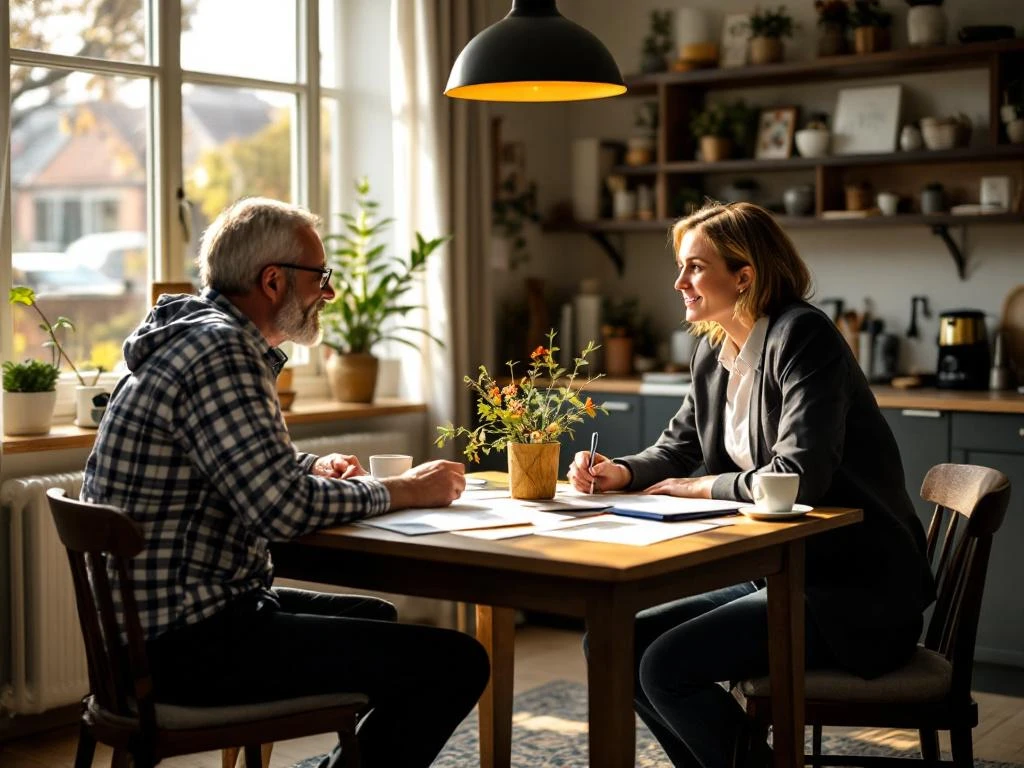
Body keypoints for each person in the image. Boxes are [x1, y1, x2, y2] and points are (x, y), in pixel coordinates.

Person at [82, 197, 489, 768]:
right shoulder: (223, 352)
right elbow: (281, 513)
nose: (329, 292)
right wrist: (407, 489)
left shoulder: (189, 336)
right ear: (273, 281)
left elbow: (234, 467)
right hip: (185, 646)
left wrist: (310, 466)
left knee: (376, 619)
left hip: (145, 635)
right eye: (320, 276)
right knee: (457, 661)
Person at [567, 202, 935, 768]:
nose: (679, 282)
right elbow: (678, 446)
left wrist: (699, 488)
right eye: (681, 267)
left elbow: (797, 477)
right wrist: (622, 470)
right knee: (611, 643)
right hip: (780, 573)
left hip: (852, 592)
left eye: (695, 267)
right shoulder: (714, 349)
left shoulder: (803, 336)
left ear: (745, 276)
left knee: (663, 667)